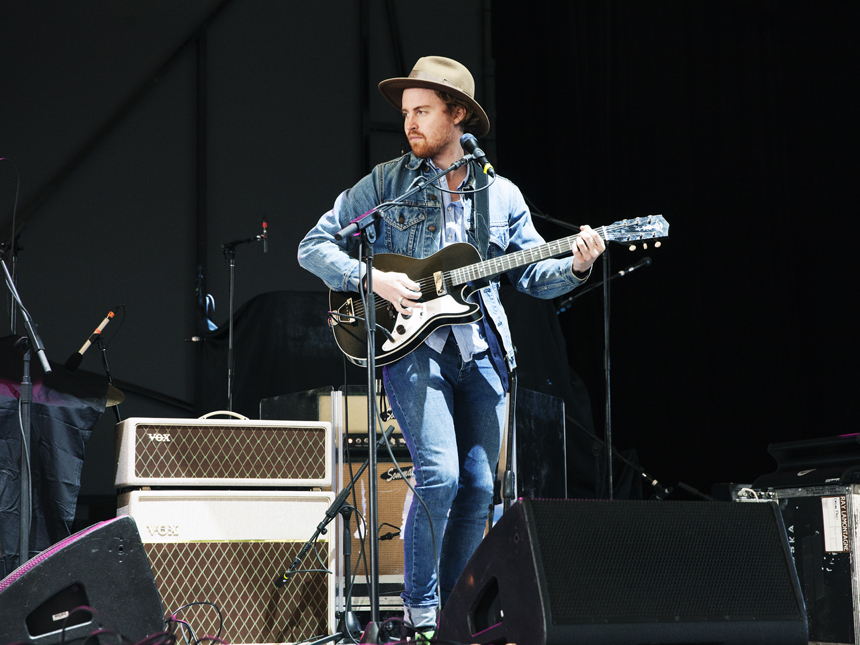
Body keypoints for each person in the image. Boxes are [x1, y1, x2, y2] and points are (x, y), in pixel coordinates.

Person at [298, 56, 604, 634]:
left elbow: (534, 276)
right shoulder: (386, 183)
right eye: (407, 112)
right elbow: (313, 245)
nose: (410, 123)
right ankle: (421, 612)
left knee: (482, 486)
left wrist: (578, 266)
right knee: (439, 475)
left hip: (483, 350)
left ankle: (458, 615)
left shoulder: (503, 195)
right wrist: (373, 279)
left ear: (457, 115)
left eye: (422, 111)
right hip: (412, 348)